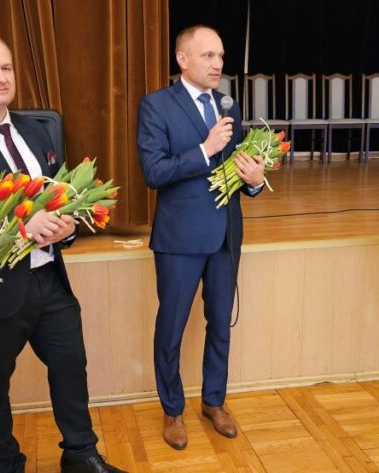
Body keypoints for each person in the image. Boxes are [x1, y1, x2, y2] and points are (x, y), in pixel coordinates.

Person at [0, 32, 124, 473]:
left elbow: (61, 196)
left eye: (6, 68)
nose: (1, 77)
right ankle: (7, 466)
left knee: (71, 365)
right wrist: (19, 227)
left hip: (50, 279)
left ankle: (81, 455)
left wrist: (67, 227)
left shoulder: (38, 130)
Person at [136, 25, 266, 450]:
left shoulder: (229, 104)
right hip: (179, 238)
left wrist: (254, 180)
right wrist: (206, 149)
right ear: (182, 59)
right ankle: (172, 409)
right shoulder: (156, 106)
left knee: (220, 325)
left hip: (226, 235)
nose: (218, 65)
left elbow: (242, 164)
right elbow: (154, 172)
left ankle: (214, 401)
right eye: (208, 56)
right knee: (171, 329)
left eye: (222, 56)